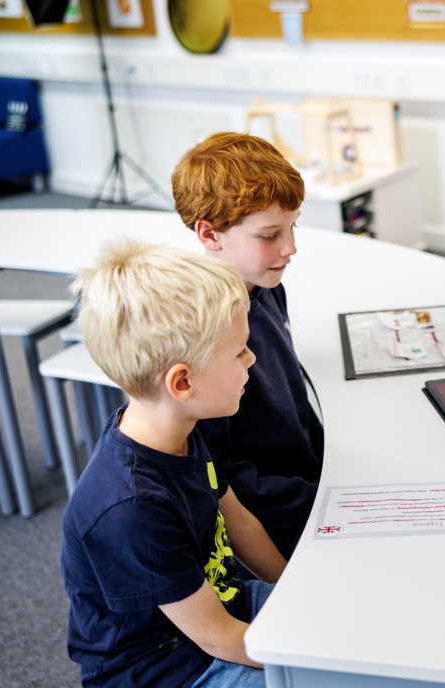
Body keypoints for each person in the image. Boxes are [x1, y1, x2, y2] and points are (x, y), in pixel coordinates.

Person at [61, 240, 286, 688]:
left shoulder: (181, 427)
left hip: (224, 607)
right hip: (176, 669)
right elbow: (220, 639)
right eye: (240, 350)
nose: (252, 358)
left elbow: (237, 520)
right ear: (182, 382)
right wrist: (318, 659)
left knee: (341, 614)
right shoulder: (130, 509)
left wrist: (295, 588)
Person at [172, 132, 323, 561]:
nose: (291, 248)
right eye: (270, 235)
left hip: (307, 477)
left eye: (293, 228)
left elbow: (291, 400)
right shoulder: (200, 335)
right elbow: (223, 474)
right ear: (209, 234)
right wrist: (323, 497)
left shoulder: (266, 284)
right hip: (275, 515)